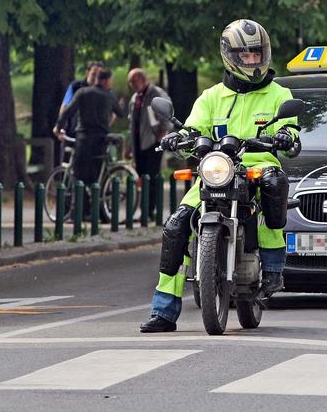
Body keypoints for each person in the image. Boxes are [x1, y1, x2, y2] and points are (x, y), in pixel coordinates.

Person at [140, 19, 299, 333]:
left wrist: (286, 137)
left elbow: (290, 131)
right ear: (230, 56)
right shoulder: (211, 96)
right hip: (215, 171)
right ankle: (163, 311)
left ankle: (272, 269)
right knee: (175, 226)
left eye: (257, 54)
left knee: (273, 183)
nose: (253, 60)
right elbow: (193, 128)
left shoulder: (279, 94)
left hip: (257, 166)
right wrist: (178, 137)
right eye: (246, 55)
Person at [54, 68, 125, 187]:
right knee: (98, 172)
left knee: (78, 173)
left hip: (84, 138)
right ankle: (99, 201)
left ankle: (78, 202)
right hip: (101, 139)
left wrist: (58, 127)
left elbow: (68, 111)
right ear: (106, 81)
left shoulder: (82, 92)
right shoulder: (110, 96)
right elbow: (120, 114)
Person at [126, 68, 173, 219]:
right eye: (130, 82)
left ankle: (151, 211)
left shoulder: (156, 94)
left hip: (153, 142)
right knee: (141, 177)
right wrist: (130, 145)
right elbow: (132, 123)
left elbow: (167, 114)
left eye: (133, 81)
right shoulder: (135, 98)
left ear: (142, 79)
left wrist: (162, 133)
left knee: (152, 177)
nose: (131, 84)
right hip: (139, 143)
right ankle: (144, 210)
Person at [58, 61, 104, 160]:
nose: (96, 78)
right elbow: (65, 106)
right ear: (87, 73)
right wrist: (61, 128)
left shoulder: (103, 92)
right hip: (72, 132)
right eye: (93, 74)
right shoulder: (75, 87)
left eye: (99, 76)